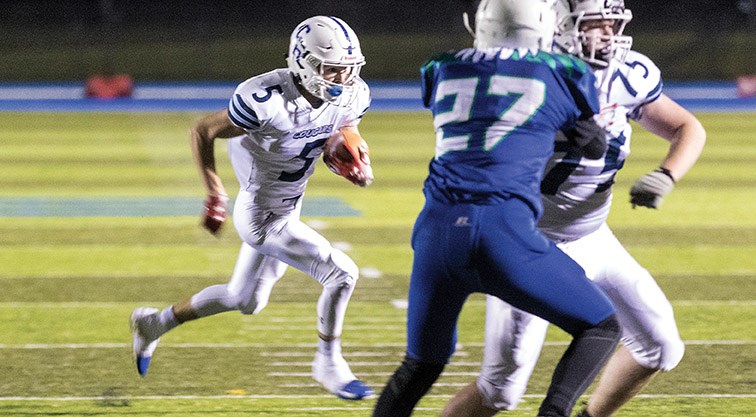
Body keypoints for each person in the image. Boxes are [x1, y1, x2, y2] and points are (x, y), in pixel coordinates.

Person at [439, 1, 707, 416]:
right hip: (529, 243)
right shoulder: (523, 74)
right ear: (556, 25)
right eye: (596, 24)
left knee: (660, 347)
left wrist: (666, 174)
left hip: (592, 236)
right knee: (500, 391)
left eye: (613, 22)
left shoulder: (625, 74)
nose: (609, 33)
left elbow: (686, 126)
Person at [371, 1, 623, 416]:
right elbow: (593, 144)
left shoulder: (442, 67)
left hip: (435, 235)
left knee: (421, 364)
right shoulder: (564, 71)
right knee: (601, 326)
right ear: (544, 27)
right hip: (504, 233)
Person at [129, 15, 375, 401]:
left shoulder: (352, 92)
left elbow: (345, 126)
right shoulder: (266, 100)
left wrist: (348, 152)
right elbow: (204, 130)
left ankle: (152, 324)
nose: (342, 80)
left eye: (348, 70)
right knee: (342, 274)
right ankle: (328, 362)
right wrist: (215, 193)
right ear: (305, 63)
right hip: (261, 216)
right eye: (332, 70)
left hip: (288, 206)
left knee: (245, 299)